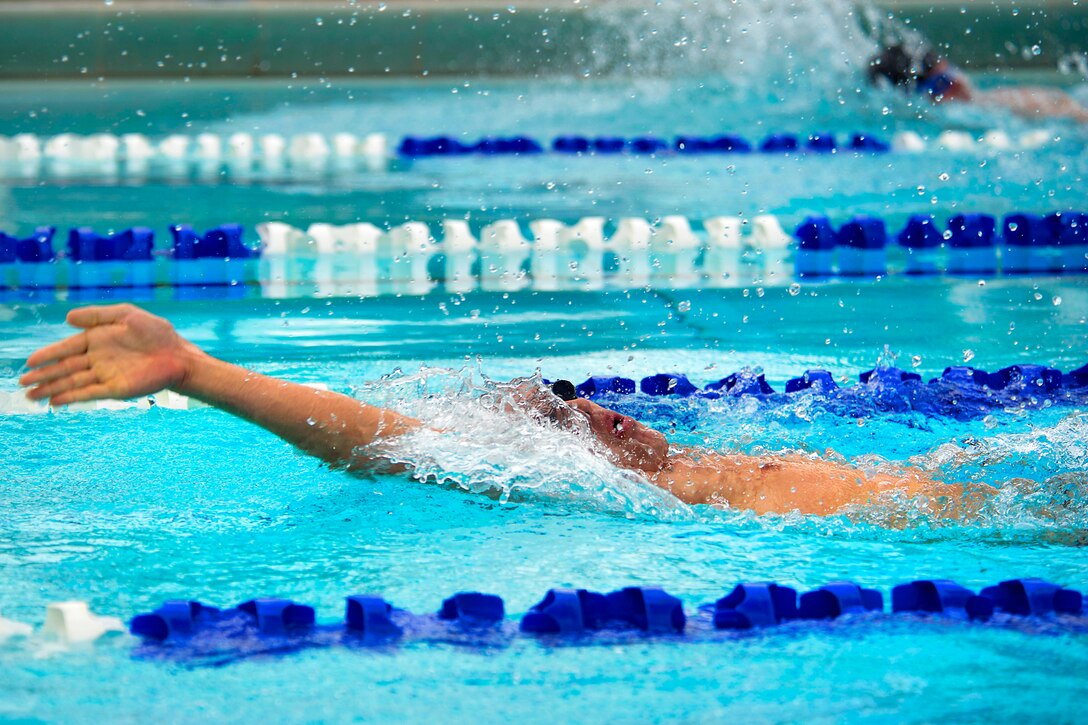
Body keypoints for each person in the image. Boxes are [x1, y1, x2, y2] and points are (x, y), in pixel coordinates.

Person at [19, 304, 992, 519]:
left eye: (586, 402)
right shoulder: (583, 484)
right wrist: (200, 372)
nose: (603, 414)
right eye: (566, 416)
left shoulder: (692, 460)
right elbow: (388, 446)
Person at [869, 42, 1088, 122]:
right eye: (941, 84)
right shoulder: (989, 107)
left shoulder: (992, 104)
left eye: (951, 75)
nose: (957, 84)